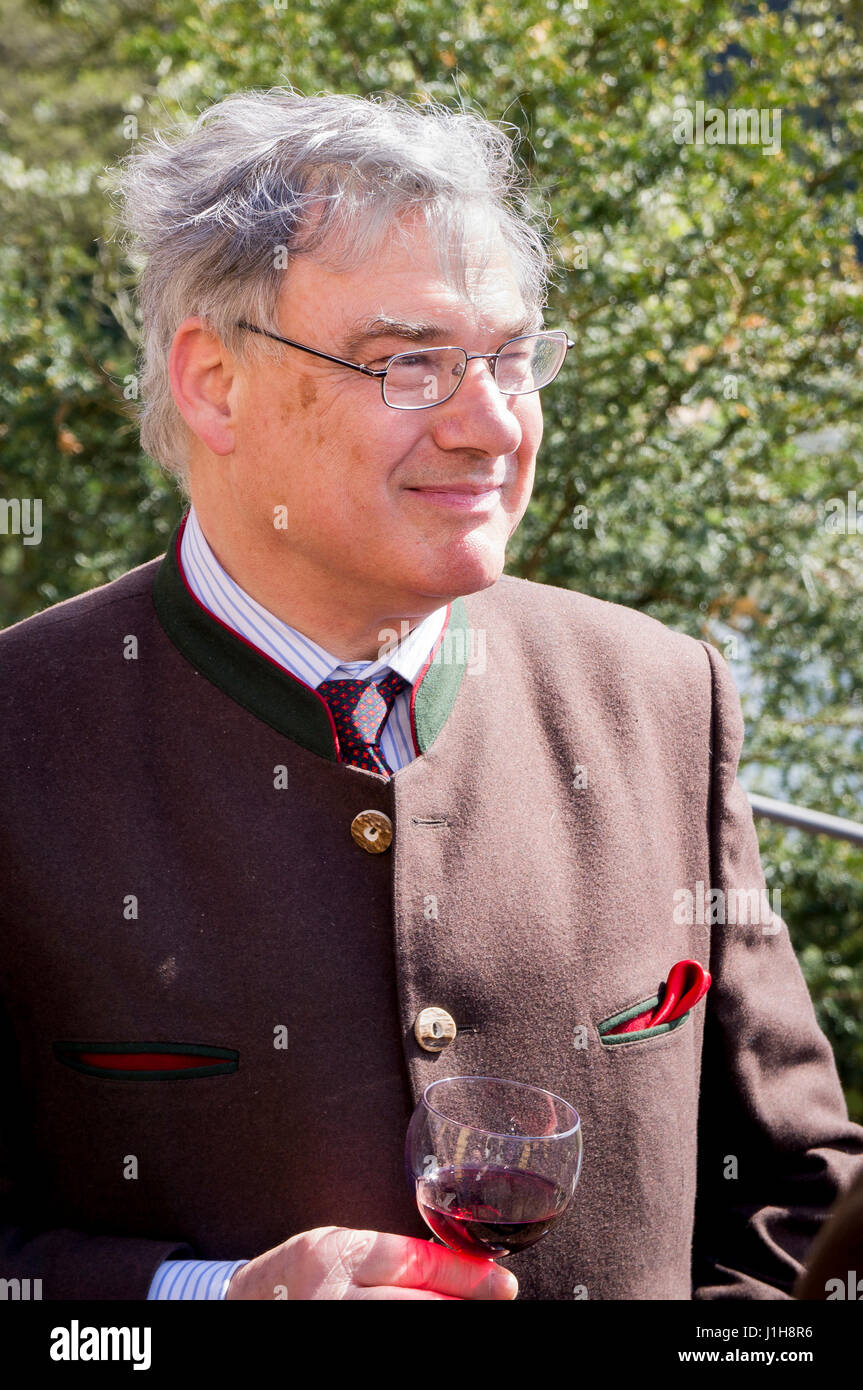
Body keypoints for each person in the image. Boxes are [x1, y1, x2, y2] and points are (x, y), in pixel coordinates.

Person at [1, 87, 861, 1303]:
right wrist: (191, 1303)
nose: (492, 424)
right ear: (213, 380)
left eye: (512, 357)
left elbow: (793, 1198)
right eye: (409, 364)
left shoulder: (662, 695)